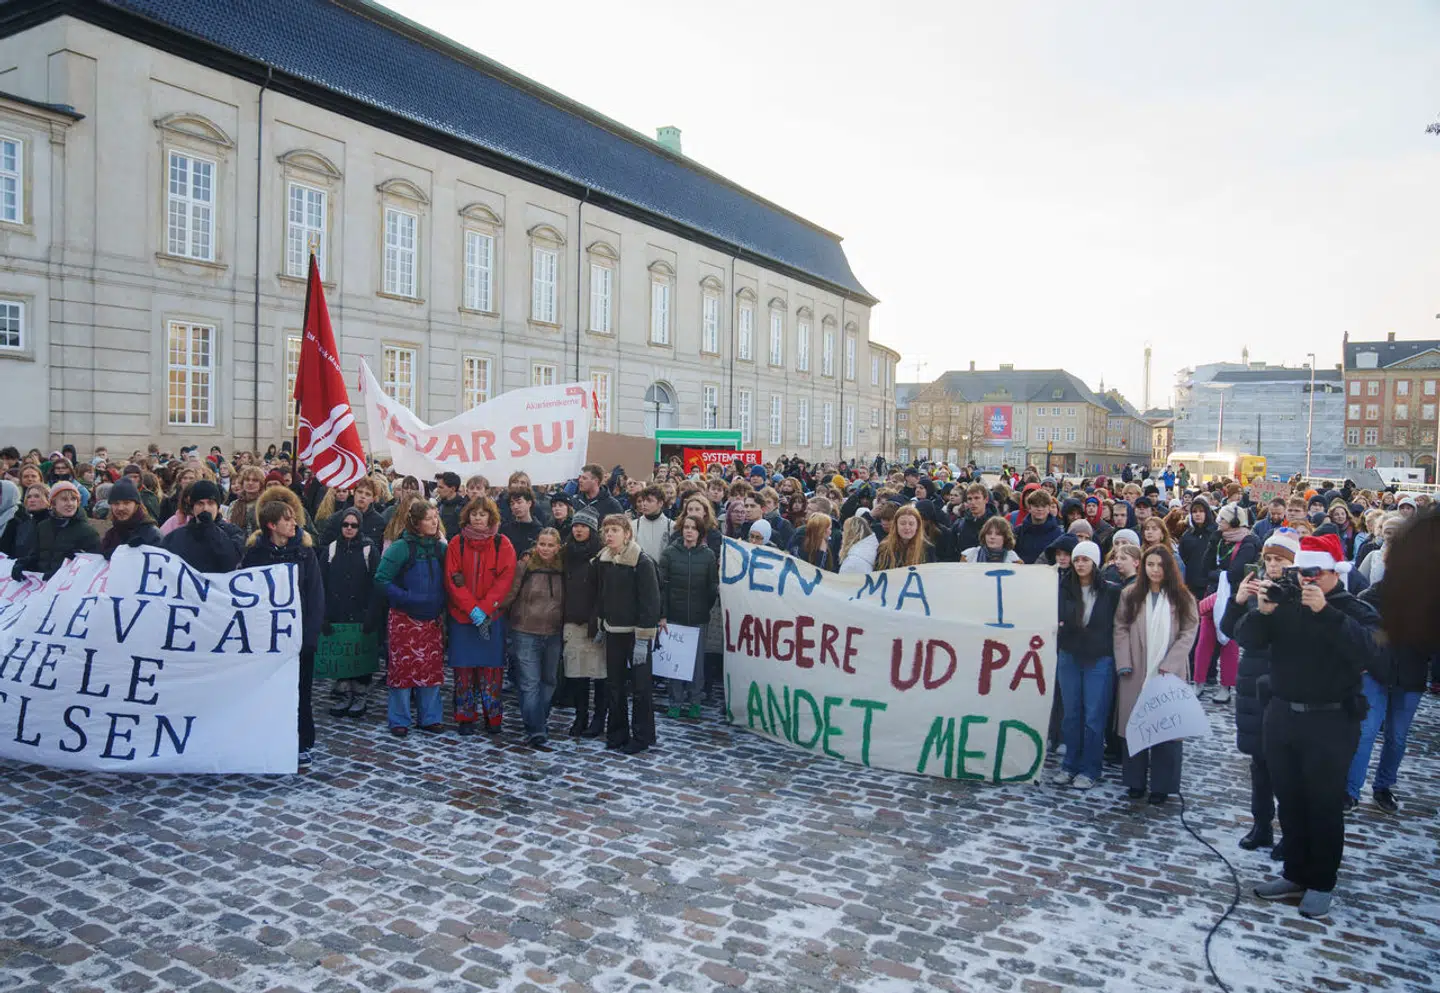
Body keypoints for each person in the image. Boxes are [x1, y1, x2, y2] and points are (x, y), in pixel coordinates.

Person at [1237, 533, 1379, 920]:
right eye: (1301, 572)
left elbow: (1373, 651)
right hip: (1282, 714)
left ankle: (1321, 881)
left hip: (1331, 719)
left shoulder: (1352, 607)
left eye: (1314, 572)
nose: (1305, 579)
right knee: (1290, 798)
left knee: (1324, 803)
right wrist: (1260, 611)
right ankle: (1295, 872)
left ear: (1334, 572)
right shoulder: (1287, 600)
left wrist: (1326, 614)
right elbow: (1247, 640)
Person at [1221, 530, 1298, 858]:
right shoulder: (1255, 587)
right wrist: (1238, 602)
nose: (1273, 564)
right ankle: (1261, 825)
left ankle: (1291, 833)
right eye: (1269, 558)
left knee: (1287, 766)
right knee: (1259, 761)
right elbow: (1229, 631)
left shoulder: (1300, 593)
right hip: (1253, 680)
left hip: (1286, 682)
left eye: (1280, 559)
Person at [243, 496, 326, 767]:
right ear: (271, 525)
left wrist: (311, 635)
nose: (293, 524)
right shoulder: (255, 555)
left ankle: (302, 742)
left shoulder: (305, 553)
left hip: (299, 636)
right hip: (267, 637)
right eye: (287, 519)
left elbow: (315, 595)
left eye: (293, 518)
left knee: (301, 691)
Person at [1345, 551, 1429, 814]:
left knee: (1397, 737)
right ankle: (1350, 791)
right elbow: (1353, 628)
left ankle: (1383, 786)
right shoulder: (1373, 595)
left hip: (1411, 676)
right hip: (1376, 672)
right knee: (1366, 732)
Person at [1114, 545, 1198, 805]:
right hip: (1136, 668)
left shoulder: (1182, 597)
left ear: (1168, 568)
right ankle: (1135, 782)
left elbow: (1189, 631)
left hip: (1167, 670)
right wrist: (1124, 661)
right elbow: (1121, 628)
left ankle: (1162, 785)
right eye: (1150, 564)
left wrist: (1171, 662)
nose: (1155, 570)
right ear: (1143, 566)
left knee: (1166, 730)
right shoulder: (1130, 594)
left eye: (1160, 565)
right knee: (1135, 726)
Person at [444, 495, 517, 736]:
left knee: (491, 670)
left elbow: (505, 579)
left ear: (491, 516)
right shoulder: (457, 543)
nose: (478, 518)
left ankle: (492, 716)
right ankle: (465, 716)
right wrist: (470, 608)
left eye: (482, 514)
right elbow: (452, 579)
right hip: (462, 617)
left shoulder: (502, 543)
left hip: (491, 617)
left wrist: (484, 609)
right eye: (474, 514)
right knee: (463, 669)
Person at [1051, 541, 1119, 790]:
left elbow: (1117, 625)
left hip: (1098, 658)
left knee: (1093, 716)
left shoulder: (1111, 591)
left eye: (1085, 560)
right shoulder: (1064, 587)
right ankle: (1069, 764)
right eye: (1077, 559)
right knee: (1071, 714)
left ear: (1095, 563)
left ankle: (1090, 768)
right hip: (1069, 655)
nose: (1080, 564)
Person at [596, 513, 663, 755]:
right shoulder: (603, 560)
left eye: (615, 530)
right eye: (607, 530)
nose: (610, 535)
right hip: (613, 630)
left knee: (641, 687)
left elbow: (650, 602)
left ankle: (642, 735)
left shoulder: (641, 562)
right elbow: (602, 595)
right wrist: (601, 623)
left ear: (627, 534)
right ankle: (617, 733)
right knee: (614, 684)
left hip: (636, 634)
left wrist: (643, 638)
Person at [502, 527, 565, 747]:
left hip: (554, 632)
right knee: (529, 683)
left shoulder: (563, 568)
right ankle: (536, 729)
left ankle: (538, 719)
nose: (545, 549)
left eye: (550, 545)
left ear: (558, 547)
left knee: (549, 681)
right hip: (525, 631)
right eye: (542, 544)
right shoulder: (525, 566)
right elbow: (510, 593)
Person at [318, 506, 381, 719]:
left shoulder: (368, 550)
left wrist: (372, 614)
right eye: (346, 524)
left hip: (361, 612)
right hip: (338, 613)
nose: (349, 528)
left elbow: (376, 584)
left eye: (354, 525)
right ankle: (343, 694)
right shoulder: (331, 549)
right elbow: (321, 583)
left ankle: (361, 695)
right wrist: (324, 614)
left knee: (360, 657)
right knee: (342, 659)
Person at [658, 514, 719, 719]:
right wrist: (663, 615)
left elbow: (712, 587)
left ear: (700, 532)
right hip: (675, 617)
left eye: (693, 528)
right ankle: (675, 701)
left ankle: (695, 701)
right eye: (686, 527)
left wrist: (704, 608)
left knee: (696, 664)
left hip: (698, 617)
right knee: (676, 664)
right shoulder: (670, 553)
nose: (689, 531)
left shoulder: (708, 555)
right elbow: (662, 588)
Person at [562, 507, 607, 737]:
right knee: (578, 673)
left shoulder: (601, 555)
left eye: (584, 526)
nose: (579, 530)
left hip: (594, 622)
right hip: (572, 620)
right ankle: (580, 716)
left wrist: (598, 620)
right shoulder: (566, 552)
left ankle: (599, 718)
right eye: (576, 526)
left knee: (598, 674)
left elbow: (605, 591)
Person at [9, 479, 100, 579]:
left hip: (68, 586)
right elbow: (36, 555)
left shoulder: (87, 531)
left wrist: (63, 570)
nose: (70, 504)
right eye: (64, 499)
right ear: (53, 503)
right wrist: (22, 564)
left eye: (74, 499)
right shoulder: (43, 526)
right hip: (42, 585)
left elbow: (92, 567)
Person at [161, 479, 245, 573]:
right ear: (192, 508)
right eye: (200, 504)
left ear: (218, 507)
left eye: (210, 503)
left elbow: (230, 561)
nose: (205, 508)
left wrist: (210, 528)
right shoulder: (175, 537)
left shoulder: (233, 532)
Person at [98, 477, 163, 558]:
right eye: (116, 503)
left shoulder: (152, 535)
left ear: (136, 505)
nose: (120, 508)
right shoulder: (111, 535)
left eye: (126, 503)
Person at [0, 483, 50, 562]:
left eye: (37, 496)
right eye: (29, 497)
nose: (31, 500)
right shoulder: (23, 525)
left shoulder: (55, 523)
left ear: (48, 500)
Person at [1014, 489, 1063, 564]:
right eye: (1036, 506)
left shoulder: (1058, 534)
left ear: (1048, 508)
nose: (1040, 509)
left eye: (1043, 506)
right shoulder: (1018, 532)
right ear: (1029, 508)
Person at [500, 485, 543, 557]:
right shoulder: (505, 529)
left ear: (529, 503)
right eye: (512, 503)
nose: (515, 506)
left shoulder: (539, 531)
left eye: (519, 502)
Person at [433, 471, 466, 537]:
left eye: (441, 487)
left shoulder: (463, 506)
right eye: (437, 487)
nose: (437, 490)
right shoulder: (439, 505)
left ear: (453, 489)